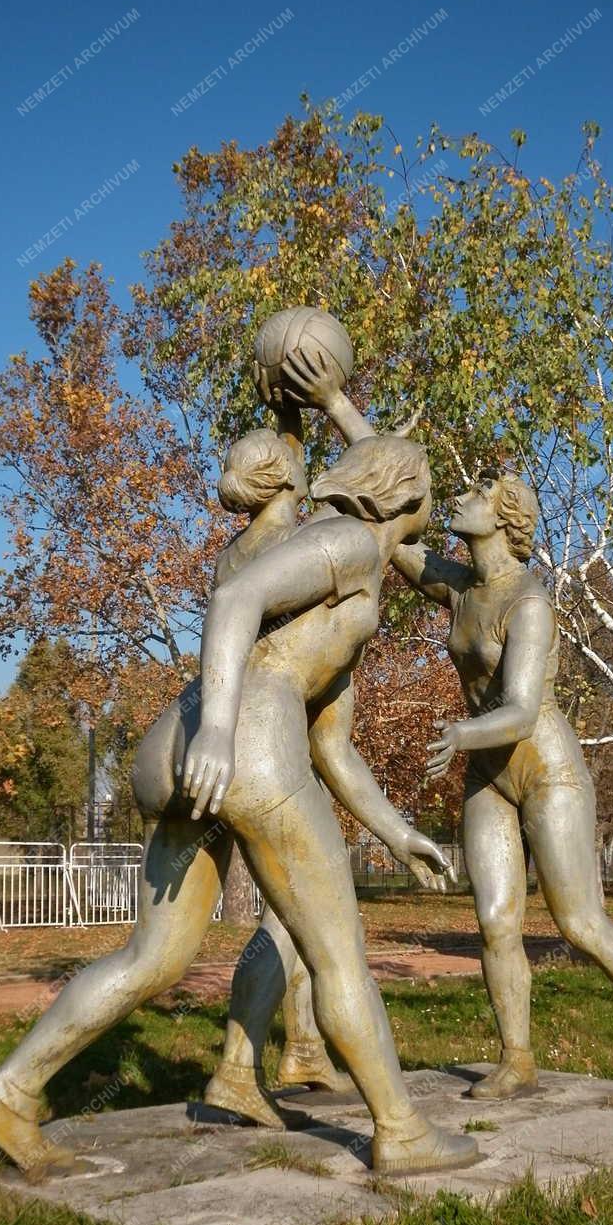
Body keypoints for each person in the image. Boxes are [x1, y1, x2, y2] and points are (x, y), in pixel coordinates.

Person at [0, 434, 478, 1177]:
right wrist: (226, 730)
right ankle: (399, 1128)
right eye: (428, 481)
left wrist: (399, 832)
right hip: (244, 740)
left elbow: (334, 749)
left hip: (196, 744)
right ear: (401, 493)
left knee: (153, 957)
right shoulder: (352, 541)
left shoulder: (350, 591)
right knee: (338, 955)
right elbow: (237, 597)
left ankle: (9, 1091)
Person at [392, 469, 613, 1098]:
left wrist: (457, 735)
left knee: (580, 923)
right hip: (488, 771)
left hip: (544, 769)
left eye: (479, 494)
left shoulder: (527, 601)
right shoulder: (462, 587)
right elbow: (390, 528)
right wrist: (342, 417)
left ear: (505, 519)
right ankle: (517, 1057)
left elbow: (521, 711)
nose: (463, 498)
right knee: (494, 921)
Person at [212, 424, 350, 1100]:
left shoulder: (234, 553)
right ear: (293, 476)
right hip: (274, 744)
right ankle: (240, 1065)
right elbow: (368, 507)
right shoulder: (301, 543)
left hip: (235, 738)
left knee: (288, 913)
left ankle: (299, 1046)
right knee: (308, 910)